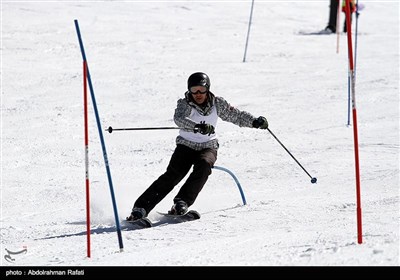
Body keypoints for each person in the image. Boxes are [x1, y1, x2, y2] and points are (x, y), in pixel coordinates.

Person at [127, 72, 268, 221]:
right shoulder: (185, 103)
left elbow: (236, 116)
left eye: (201, 89)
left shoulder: (217, 103)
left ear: (207, 89)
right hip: (186, 146)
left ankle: (182, 202)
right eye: (194, 90)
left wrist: (254, 122)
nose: (198, 94)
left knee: (204, 165)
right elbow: (179, 119)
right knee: (173, 175)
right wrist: (197, 126)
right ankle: (140, 208)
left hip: (208, 146)